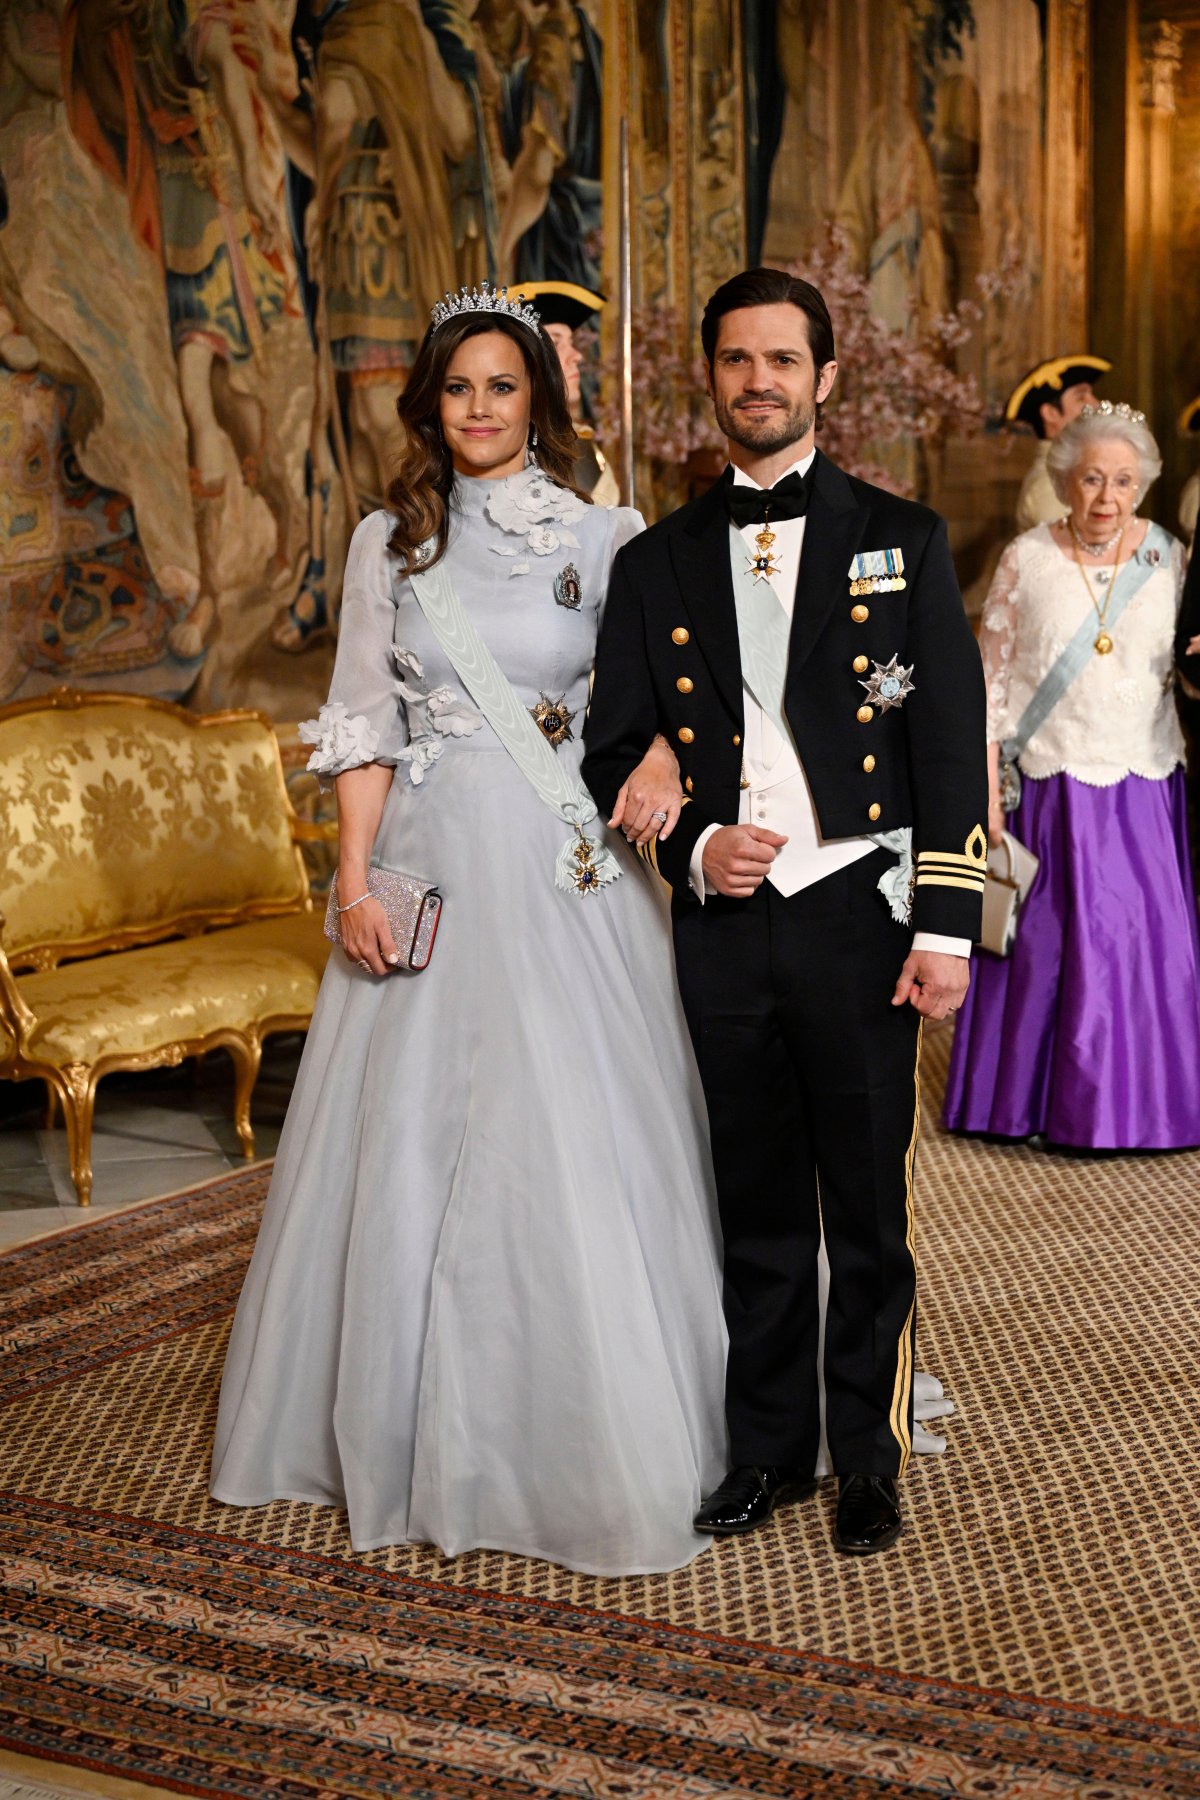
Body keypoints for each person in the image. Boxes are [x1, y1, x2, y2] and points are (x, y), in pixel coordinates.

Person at [210, 283, 729, 1576]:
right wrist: (354, 881)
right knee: (417, 1142)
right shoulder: (390, 541)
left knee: (578, 1132)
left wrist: (664, 757)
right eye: (458, 388)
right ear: (429, 405)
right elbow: (362, 728)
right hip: (434, 866)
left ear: (538, 400)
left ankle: (599, 1424)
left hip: (572, 870)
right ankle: (405, 1423)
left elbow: (678, 691)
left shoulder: (610, 532)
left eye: (503, 387)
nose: (482, 410)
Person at [582, 266, 988, 1557]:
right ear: (712, 377)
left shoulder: (902, 536)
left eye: (782, 360)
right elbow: (610, 747)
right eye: (736, 360)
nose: (758, 380)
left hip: (861, 917)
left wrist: (943, 931)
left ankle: (864, 1455)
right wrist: (696, 843)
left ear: (824, 377)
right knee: (754, 1202)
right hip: (724, 925)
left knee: (866, 1204)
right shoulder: (657, 561)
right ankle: (767, 1449)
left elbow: (947, 745)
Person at [945, 401, 1200, 1150]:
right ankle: (1025, 1106)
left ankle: (1151, 1107)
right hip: (1049, 787)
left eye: (1123, 481)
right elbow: (986, 687)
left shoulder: (1169, 556)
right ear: (1066, 479)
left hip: (1145, 780)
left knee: (1142, 954)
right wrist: (985, 792)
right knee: (1047, 954)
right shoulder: (1027, 558)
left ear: (1143, 485)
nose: (1105, 498)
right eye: (1091, 478)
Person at [514, 279, 619, 503]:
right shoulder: (505, 446)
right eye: (555, 343)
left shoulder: (579, 440)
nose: (577, 356)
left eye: (571, 342)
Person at [1004, 355, 1112, 532]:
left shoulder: (1074, 471)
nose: (1096, 404)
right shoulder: (1050, 486)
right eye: (1081, 398)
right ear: (1051, 413)